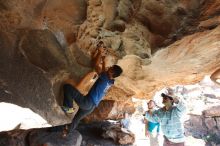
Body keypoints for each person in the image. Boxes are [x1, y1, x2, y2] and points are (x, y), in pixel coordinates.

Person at [62, 42, 123, 132]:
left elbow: (95, 66)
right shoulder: (111, 82)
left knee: (67, 87)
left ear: (112, 72)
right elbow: (103, 70)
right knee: (76, 119)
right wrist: (103, 59)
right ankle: (68, 132)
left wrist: (99, 52)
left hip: (88, 102)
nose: (109, 67)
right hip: (91, 107)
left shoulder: (105, 78)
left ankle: (69, 109)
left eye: (111, 68)